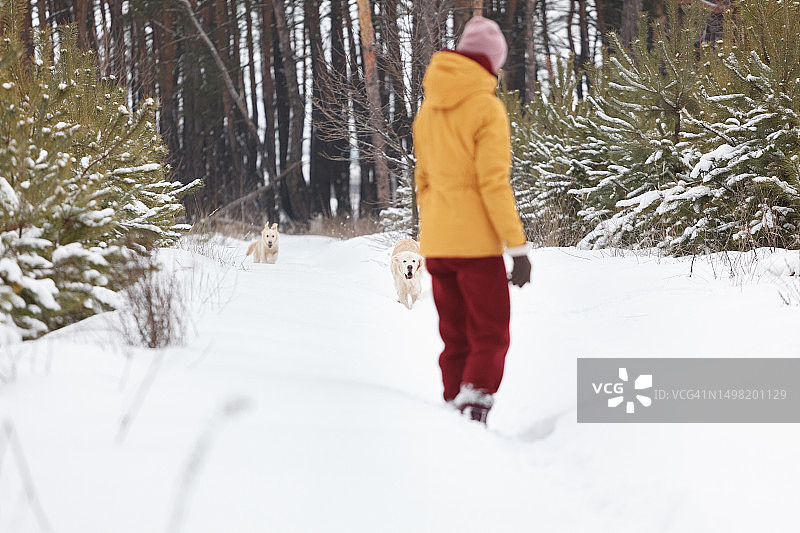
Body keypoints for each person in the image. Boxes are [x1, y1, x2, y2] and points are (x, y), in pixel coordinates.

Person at [413, 16, 532, 425]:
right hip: (477, 248)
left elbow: (423, 180)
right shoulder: (486, 107)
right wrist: (517, 248)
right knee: (491, 332)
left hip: (438, 244)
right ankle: (474, 405)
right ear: (491, 62)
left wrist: (432, 232)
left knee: (455, 332)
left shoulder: (429, 107)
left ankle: (452, 405)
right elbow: (493, 184)